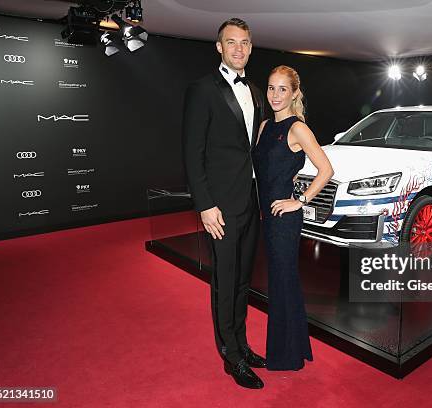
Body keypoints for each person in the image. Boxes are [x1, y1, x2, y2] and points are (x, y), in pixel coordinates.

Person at [182, 18, 267, 389]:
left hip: (252, 200)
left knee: (243, 280)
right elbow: (191, 153)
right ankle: (230, 355)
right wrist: (205, 205)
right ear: (219, 46)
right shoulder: (202, 89)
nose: (238, 49)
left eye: (244, 43)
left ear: (250, 46)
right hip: (220, 206)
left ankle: (242, 344)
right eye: (230, 42)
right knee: (225, 280)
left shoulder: (257, 90)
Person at [252, 66, 334, 371]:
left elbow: (326, 170)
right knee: (282, 281)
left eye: (282, 89)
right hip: (266, 215)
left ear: (294, 93)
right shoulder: (263, 127)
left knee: (283, 281)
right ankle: (295, 347)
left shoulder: (298, 129)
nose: (275, 95)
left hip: (284, 219)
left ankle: (285, 356)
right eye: (271, 88)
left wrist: (298, 200)